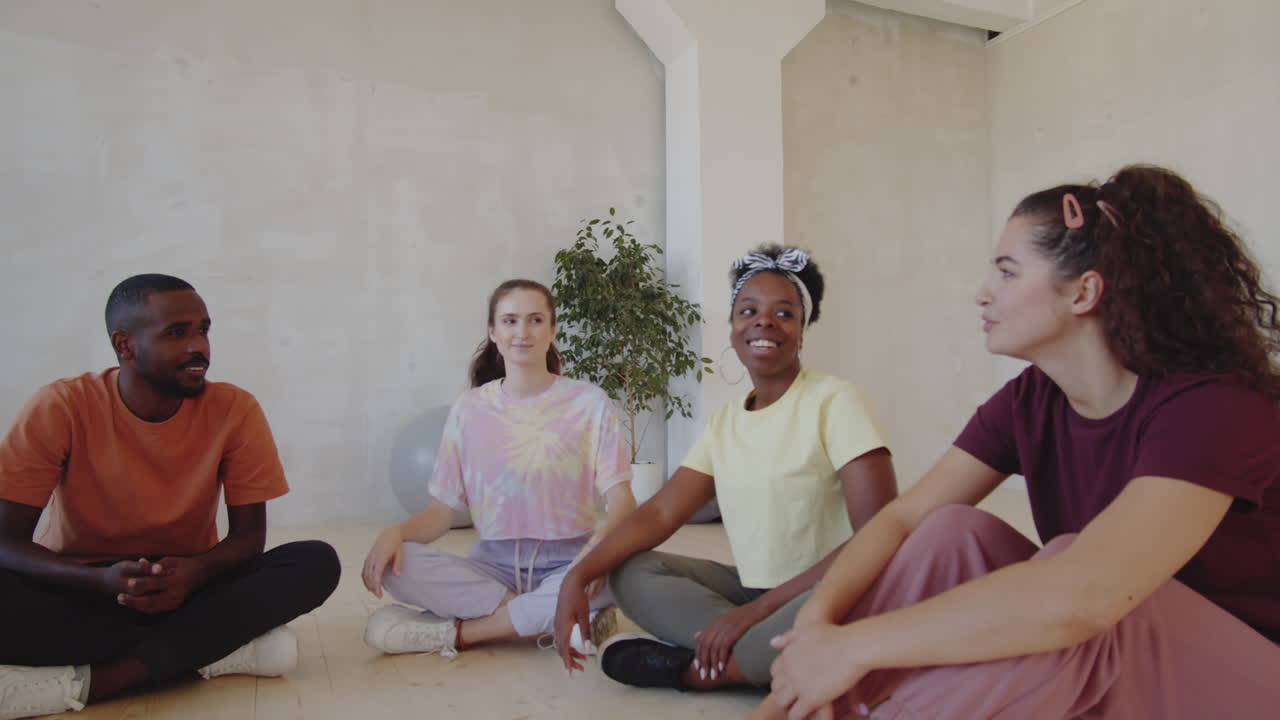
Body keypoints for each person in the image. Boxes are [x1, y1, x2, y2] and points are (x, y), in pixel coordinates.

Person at [755, 165, 1280, 720]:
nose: (983, 294)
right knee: (952, 532)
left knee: (1068, 594)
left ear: (1084, 292)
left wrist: (859, 645)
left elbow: (1085, 598)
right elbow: (904, 519)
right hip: (1136, 664)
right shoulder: (1033, 399)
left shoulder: (1212, 407)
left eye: (1007, 273)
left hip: (1249, 682)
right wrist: (818, 625)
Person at [553, 245, 900, 693]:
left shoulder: (835, 401)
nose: (764, 321)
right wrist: (577, 575)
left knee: (826, 619)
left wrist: (755, 614)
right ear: (733, 328)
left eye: (784, 313)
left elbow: (880, 536)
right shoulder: (726, 422)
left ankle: (699, 671)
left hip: (829, 592)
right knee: (629, 571)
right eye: (748, 310)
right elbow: (660, 513)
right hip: (753, 589)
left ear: (802, 330)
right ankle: (766, 658)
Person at [0, 274, 341, 720]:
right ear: (126, 346)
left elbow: (247, 540)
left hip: (189, 585)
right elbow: (6, 541)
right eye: (177, 333)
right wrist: (100, 582)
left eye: (203, 329)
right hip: (84, 587)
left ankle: (99, 681)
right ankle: (212, 650)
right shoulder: (60, 405)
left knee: (315, 561)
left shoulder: (235, 410)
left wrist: (194, 574)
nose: (199, 347)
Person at [360, 279, 636, 657]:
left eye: (535, 320)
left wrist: (600, 545)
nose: (522, 332)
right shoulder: (468, 409)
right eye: (509, 321)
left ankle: (461, 634)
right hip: (493, 569)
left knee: (627, 571)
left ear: (552, 329)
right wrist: (396, 533)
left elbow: (622, 498)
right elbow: (441, 514)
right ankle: (557, 618)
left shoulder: (589, 403)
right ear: (493, 331)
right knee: (395, 565)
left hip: (572, 564)